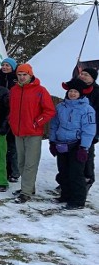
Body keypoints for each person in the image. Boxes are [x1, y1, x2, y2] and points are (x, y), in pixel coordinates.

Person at [9, 63, 56, 204]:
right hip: (18, 131)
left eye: (25, 75)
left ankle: (26, 192)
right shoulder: (14, 90)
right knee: (21, 161)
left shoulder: (40, 90)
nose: (22, 77)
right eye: (19, 75)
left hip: (33, 133)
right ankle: (29, 187)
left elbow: (50, 110)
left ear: (30, 75)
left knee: (30, 163)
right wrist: (11, 121)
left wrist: (37, 122)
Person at [49, 79, 96, 210]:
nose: (73, 94)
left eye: (75, 92)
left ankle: (78, 200)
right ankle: (65, 195)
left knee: (76, 173)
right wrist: (52, 141)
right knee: (63, 171)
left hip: (77, 144)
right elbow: (54, 125)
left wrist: (84, 147)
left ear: (80, 93)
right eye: (71, 91)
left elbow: (89, 129)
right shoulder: (60, 107)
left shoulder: (87, 109)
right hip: (61, 143)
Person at [0, 58, 20, 183]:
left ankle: (15, 172)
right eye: (3, 65)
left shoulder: (16, 79)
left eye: (7, 65)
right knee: (3, 146)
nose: (5, 67)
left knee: (13, 146)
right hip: (1, 115)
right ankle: (4, 170)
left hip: (14, 115)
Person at [77, 67, 99, 191]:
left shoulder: (97, 91)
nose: (83, 76)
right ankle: (72, 180)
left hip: (90, 129)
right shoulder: (76, 88)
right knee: (74, 156)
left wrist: (96, 133)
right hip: (74, 130)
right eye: (82, 74)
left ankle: (87, 178)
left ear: (92, 78)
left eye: (86, 75)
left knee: (87, 155)